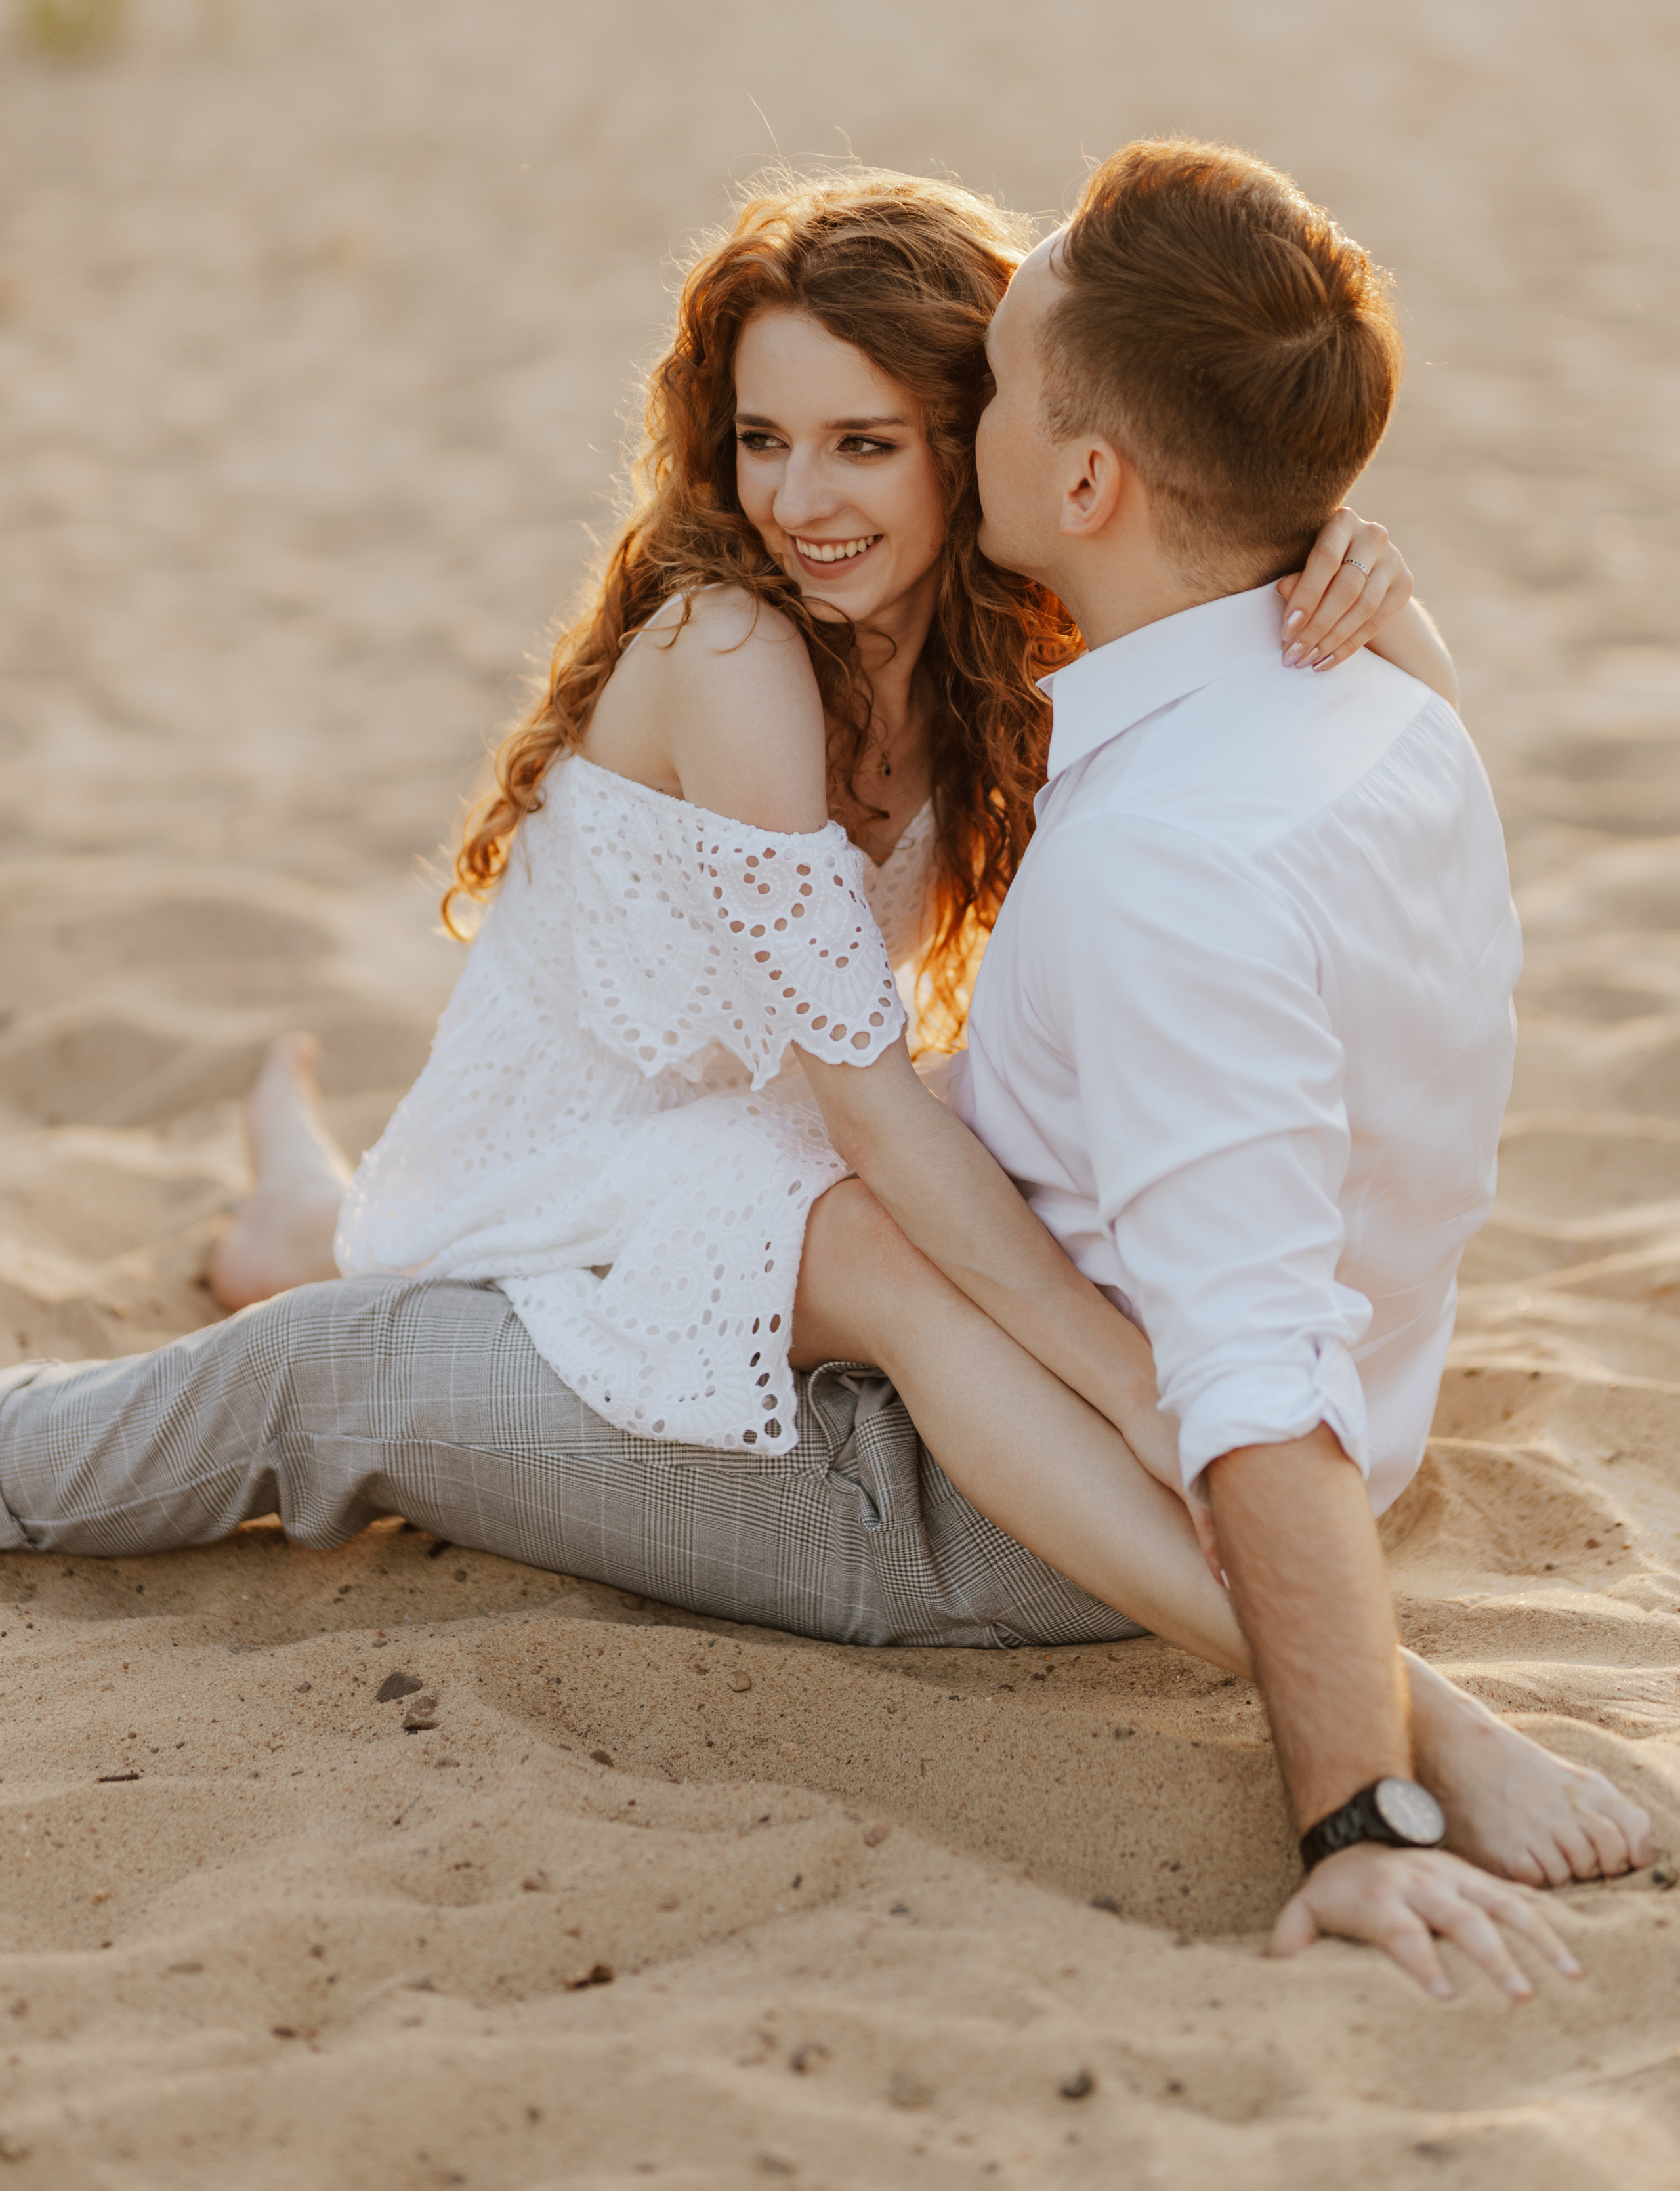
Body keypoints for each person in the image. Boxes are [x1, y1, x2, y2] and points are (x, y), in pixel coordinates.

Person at [0, 162, 1650, 2003]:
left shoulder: (1008, 646)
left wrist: (1349, 558)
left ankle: (305, 1219)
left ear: (987, 447)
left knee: (448, 1250)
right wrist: (1135, 1383)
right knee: (619, 1264)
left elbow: (1226, 583)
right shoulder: (733, 652)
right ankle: (258, 1277)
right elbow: (861, 1124)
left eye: (868, 442)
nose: (801, 498)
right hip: (620, 1144)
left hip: (750, 1131)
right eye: (761, 439)